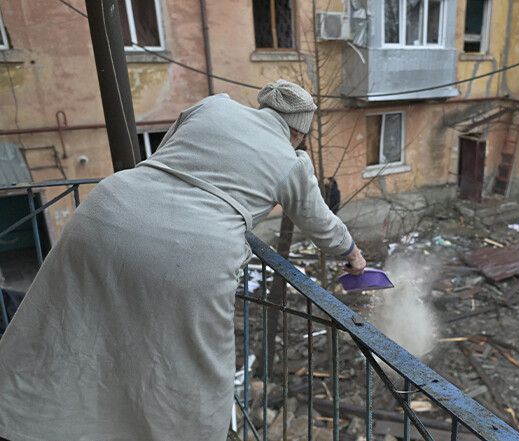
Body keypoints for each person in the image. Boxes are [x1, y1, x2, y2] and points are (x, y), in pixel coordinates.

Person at [0, 80, 366, 441]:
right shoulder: (292, 160)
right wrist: (351, 253)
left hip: (104, 215)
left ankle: (31, 423)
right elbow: (320, 223)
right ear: (299, 131)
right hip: (191, 253)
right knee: (191, 371)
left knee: (71, 327)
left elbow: (168, 150)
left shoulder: (215, 106)